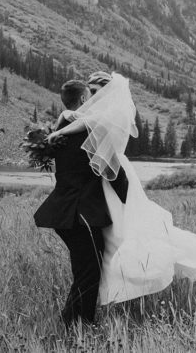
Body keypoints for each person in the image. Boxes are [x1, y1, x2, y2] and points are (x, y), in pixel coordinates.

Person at [76, 72, 196, 305]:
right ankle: (109, 294)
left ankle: (117, 291)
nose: (89, 96)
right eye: (88, 91)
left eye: (93, 91)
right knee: (115, 236)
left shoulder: (108, 114)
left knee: (125, 232)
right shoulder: (100, 113)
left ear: (105, 91)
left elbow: (102, 149)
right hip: (107, 173)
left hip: (113, 172)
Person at [33, 79, 128, 328]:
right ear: (85, 100)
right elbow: (114, 172)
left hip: (62, 212)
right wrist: (129, 202)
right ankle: (81, 323)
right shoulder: (89, 132)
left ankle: (72, 320)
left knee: (84, 269)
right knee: (90, 271)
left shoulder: (61, 128)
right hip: (81, 213)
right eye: (92, 97)